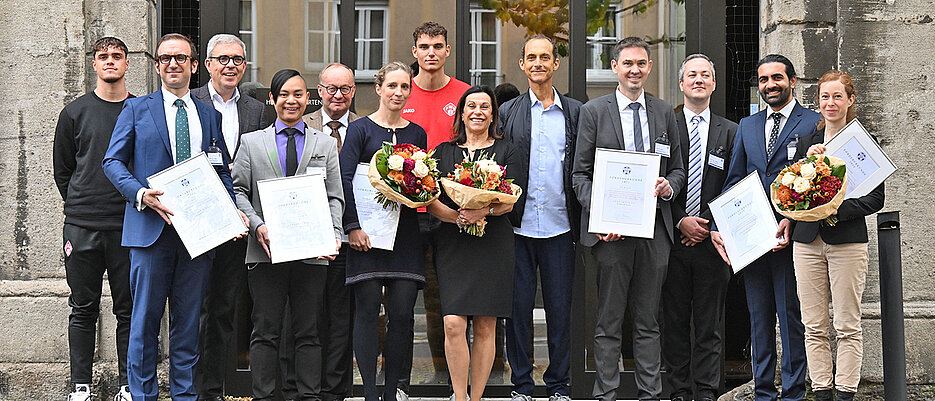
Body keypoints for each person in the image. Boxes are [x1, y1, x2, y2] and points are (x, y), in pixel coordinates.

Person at [102, 33, 247, 401]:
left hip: (197, 235)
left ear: (194, 66)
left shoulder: (208, 115)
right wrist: (140, 194)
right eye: (165, 58)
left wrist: (230, 213)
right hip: (150, 232)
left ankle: (185, 395)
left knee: (187, 325)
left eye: (181, 58)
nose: (172, 64)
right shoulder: (136, 109)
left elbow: (220, 171)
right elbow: (112, 162)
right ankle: (143, 395)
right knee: (144, 324)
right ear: (156, 66)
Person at [571, 37, 684, 401]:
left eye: (641, 63)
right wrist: (602, 218)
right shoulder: (594, 111)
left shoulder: (664, 112)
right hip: (611, 235)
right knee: (609, 320)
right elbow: (580, 175)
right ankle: (606, 393)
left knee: (649, 320)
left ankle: (650, 394)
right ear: (615, 67)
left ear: (649, 67)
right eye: (628, 63)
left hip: (654, 231)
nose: (634, 70)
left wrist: (669, 186)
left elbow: (678, 169)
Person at [711, 54, 820, 401]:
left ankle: (793, 392)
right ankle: (763, 392)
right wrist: (723, 227)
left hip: (794, 239)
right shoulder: (747, 125)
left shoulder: (813, 122)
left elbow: (818, 185)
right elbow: (734, 180)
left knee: (790, 318)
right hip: (753, 240)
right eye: (763, 80)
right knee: (758, 319)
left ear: (793, 81)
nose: (770, 85)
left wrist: (793, 220)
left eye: (777, 78)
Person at [231, 68, 344, 401]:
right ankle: (264, 396)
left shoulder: (325, 144)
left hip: (312, 251)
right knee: (265, 330)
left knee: (308, 332)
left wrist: (334, 233)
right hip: (266, 250)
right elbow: (238, 191)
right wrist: (257, 225)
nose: (290, 100)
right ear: (272, 99)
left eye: (297, 94)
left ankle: (309, 396)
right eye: (283, 94)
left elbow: (335, 196)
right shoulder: (252, 143)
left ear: (308, 99)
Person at [790, 70, 884, 401]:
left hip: (847, 242)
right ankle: (821, 391)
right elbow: (793, 194)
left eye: (837, 97)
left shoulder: (864, 143)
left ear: (850, 100)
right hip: (806, 242)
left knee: (847, 324)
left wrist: (834, 210)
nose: (830, 103)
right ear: (818, 102)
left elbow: (876, 199)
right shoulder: (805, 143)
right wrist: (808, 166)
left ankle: (845, 392)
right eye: (825, 97)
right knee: (813, 325)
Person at [498, 35, 581, 401]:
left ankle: (559, 385)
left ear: (555, 63)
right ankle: (522, 385)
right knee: (517, 311)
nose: (538, 63)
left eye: (545, 57)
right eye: (531, 57)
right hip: (517, 226)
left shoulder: (576, 112)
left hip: (561, 226)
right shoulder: (508, 112)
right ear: (522, 64)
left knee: (560, 311)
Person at [54, 36, 134, 401]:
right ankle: (80, 387)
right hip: (82, 226)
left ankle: (128, 386)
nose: (110, 61)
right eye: (104, 56)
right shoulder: (74, 112)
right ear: (94, 64)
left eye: (117, 56)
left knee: (128, 310)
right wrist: (82, 204)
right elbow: (63, 170)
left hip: (128, 225)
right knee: (82, 308)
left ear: (127, 63)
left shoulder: (140, 109)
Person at [340, 61, 426, 401]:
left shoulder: (417, 134)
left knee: (402, 316)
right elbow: (344, 178)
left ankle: (392, 392)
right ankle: (370, 393)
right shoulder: (360, 130)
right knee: (367, 312)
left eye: (404, 86)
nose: (398, 92)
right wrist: (352, 227)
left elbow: (421, 184)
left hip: (404, 236)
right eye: (392, 85)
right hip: (366, 237)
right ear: (378, 89)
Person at [191, 33, 268, 401]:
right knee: (194, 308)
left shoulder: (256, 109)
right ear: (208, 64)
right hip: (198, 218)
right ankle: (190, 389)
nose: (230, 66)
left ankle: (211, 391)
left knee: (224, 308)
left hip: (239, 221)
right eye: (223, 59)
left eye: (237, 59)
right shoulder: (191, 101)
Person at [428, 85, 517, 401]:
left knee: (484, 326)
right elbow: (430, 198)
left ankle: (475, 397)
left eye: (485, 107)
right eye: (471, 106)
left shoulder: (507, 151)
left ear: (493, 115)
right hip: (453, 244)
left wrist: (483, 211)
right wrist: (459, 218)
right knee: (453, 323)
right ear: (461, 114)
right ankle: (459, 395)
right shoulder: (443, 152)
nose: (478, 112)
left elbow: (511, 200)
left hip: (493, 244)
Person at [278, 62, 361, 401]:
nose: (337, 95)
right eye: (331, 88)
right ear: (319, 92)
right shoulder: (299, 124)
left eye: (345, 89)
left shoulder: (364, 128)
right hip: (302, 239)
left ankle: (334, 389)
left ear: (353, 91)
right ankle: (295, 386)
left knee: (340, 317)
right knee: (300, 316)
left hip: (347, 239)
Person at [399, 21, 473, 395]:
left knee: (449, 302)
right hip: (408, 215)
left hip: (452, 214)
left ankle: (452, 378)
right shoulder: (401, 91)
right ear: (415, 52)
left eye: (437, 46)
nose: (431, 52)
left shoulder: (463, 94)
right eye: (424, 46)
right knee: (406, 301)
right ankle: (413, 378)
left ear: (447, 50)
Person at [661, 54, 738, 401]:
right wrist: (681, 220)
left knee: (710, 324)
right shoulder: (666, 127)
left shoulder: (731, 131)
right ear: (681, 84)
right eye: (692, 75)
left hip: (713, 241)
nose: (698, 80)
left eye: (705, 75)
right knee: (674, 322)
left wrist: (707, 224)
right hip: (671, 239)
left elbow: (736, 182)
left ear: (714, 84)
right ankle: (679, 390)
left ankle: (707, 390)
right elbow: (658, 178)